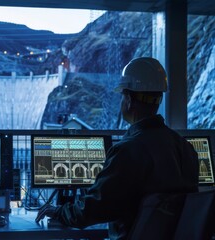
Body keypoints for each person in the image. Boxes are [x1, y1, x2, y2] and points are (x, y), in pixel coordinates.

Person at [35, 57, 199, 239]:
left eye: (122, 96)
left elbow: (92, 209)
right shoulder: (186, 149)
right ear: (158, 99)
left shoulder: (127, 151)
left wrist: (58, 212)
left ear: (128, 99)